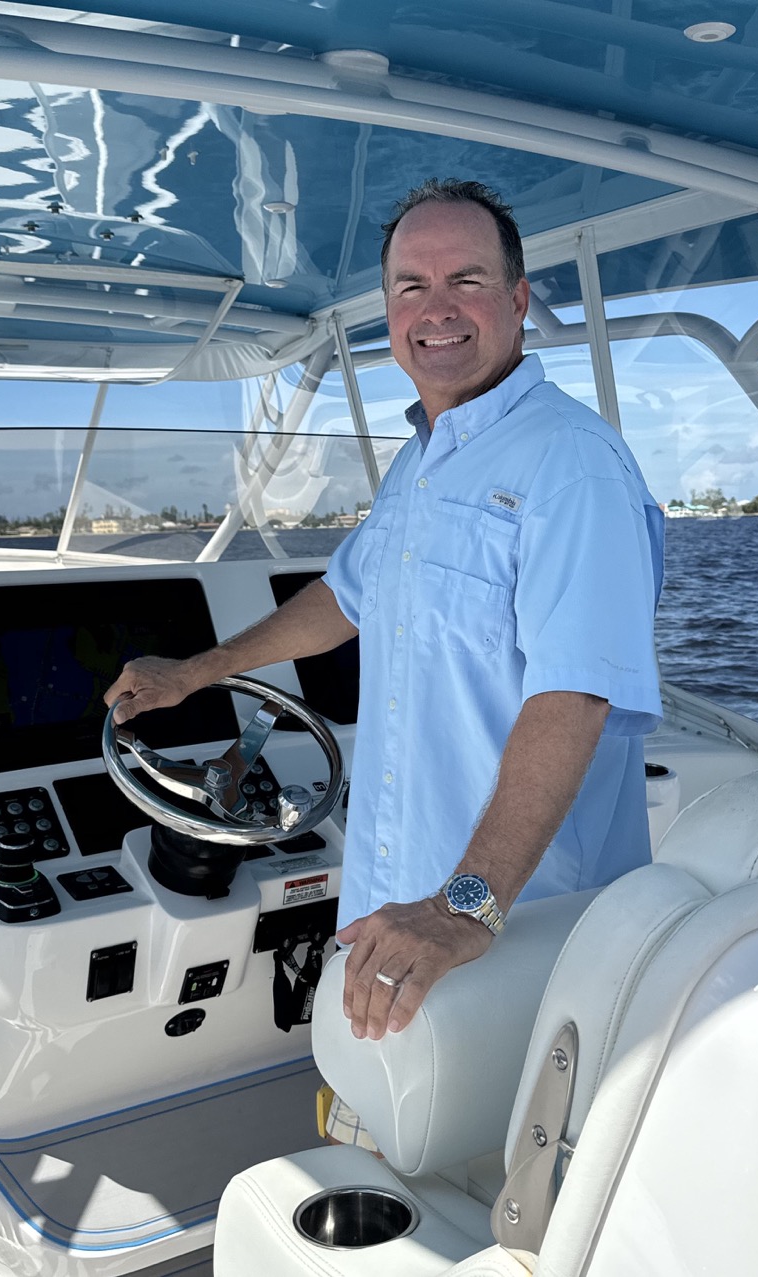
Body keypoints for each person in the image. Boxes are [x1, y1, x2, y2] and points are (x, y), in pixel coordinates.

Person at [104, 178, 663, 1053]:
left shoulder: (573, 465)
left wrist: (464, 906)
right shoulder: (424, 461)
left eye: (466, 281)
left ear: (518, 301)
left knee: (498, 1175)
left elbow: (574, 698)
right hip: (395, 916)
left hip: (518, 936)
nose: (436, 309)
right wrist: (193, 674)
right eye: (412, 287)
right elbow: (341, 601)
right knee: (389, 1156)